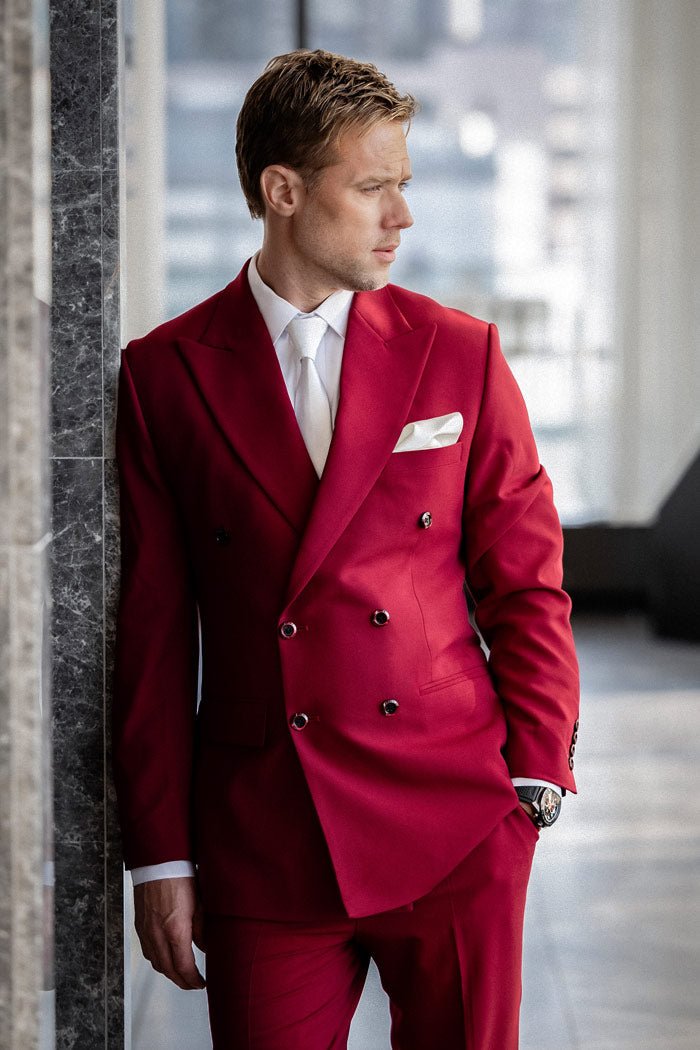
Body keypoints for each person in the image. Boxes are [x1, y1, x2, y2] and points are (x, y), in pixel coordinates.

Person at [112, 48, 580, 1050]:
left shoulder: (459, 353)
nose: (400, 217)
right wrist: (159, 858)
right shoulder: (163, 377)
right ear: (282, 192)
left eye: (402, 187)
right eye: (372, 188)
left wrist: (534, 776)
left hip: (455, 821)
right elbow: (150, 636)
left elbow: (527, 588)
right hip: (265, 834)